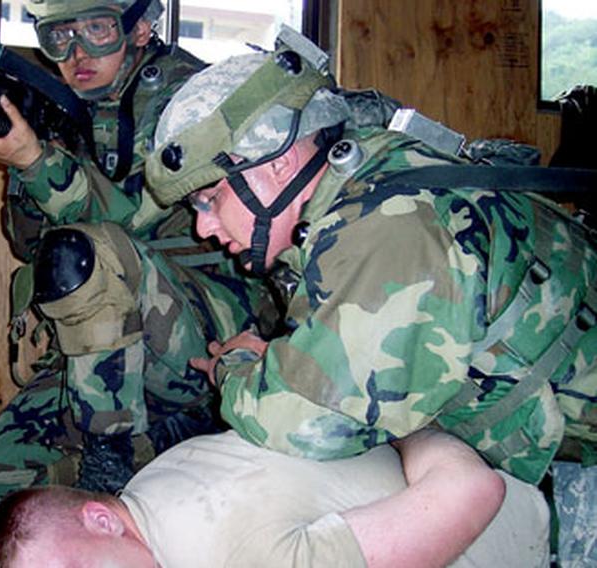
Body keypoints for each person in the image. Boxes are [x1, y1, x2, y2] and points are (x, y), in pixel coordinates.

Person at [142, 26, 597, 487]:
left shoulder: (389, 226)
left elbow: (304, 425)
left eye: (210, 198)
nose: (203, 226)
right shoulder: (364, 177)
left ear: (273, 161)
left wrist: (235, 368)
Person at [0, 0, 278, 498]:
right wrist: (25, 154)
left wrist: (36, 160)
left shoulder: (187, 96)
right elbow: (29, 245)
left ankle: (111, 458)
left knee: (91, 247)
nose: (77, 52)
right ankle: (181, 439)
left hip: (205, 334)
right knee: (2, 463)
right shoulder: (70, 103)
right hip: (113, 353)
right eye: (59, 37)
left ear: (140, 29)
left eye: (97, 30)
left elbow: (133, 216)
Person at [0, 428, 550, 567]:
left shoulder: (230, 552)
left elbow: (475, 491)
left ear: (100, 520)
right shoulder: (149, 491)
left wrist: (414, 425)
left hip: (518, 530)